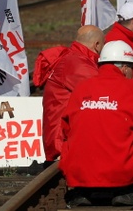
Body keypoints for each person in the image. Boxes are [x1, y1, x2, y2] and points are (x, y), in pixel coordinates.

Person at [59, 41, 133, 208]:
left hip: (80, 171)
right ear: (124, 67)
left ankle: (84, 192)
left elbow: (66, 129)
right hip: (120, 172)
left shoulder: (81, 87)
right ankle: (127, 191)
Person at [41, 25, 104, 163]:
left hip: (60, 136)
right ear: (97, 45)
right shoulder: (78, 63)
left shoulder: (73, 58)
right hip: (62, 141)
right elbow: (104, 91)